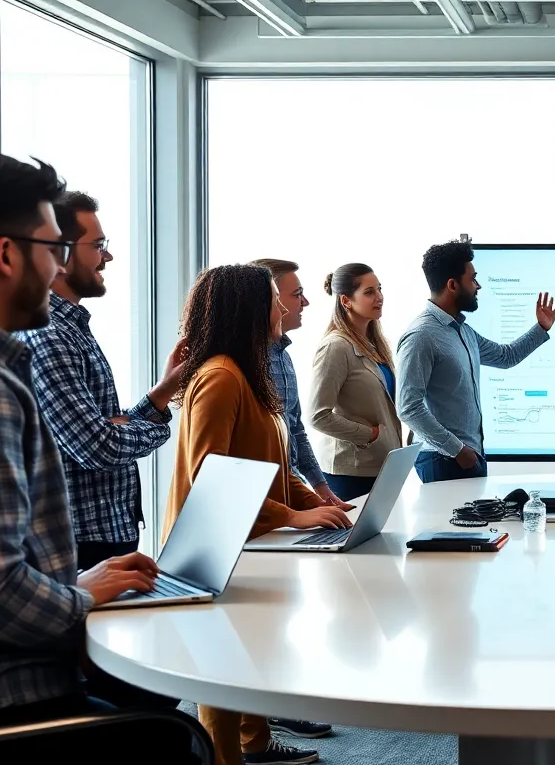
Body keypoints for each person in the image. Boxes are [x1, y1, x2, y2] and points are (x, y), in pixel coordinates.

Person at [0, 146, 197, 764]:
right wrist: (83, 594)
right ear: (7, 254)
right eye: (54, 248)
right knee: (178, 741)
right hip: (0, 707)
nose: (60, 266)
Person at [166, 263, 351, 765]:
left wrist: (322, 505)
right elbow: (212, 477)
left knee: (248, 658)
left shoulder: (249, 373)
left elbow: (273, 464)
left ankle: (256, 746)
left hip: (248, 543)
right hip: (216, 551)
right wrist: (294, 519)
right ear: (250, 309)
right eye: (274, 298)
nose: (283, 307)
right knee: (222, 673)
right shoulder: (221, 377)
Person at [19, 192, 187, 570]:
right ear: (58, 255)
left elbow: (100, 433)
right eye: (97, 245)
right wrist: (152, 431)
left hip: (101, 535)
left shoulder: (71, 328)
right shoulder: (47, 335)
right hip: (79, 544)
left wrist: (160, 396)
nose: (107, 257)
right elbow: (97, 446)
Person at [396, 240, 555, 483]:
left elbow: (506, 356)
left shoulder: (462, 331)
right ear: (452, 285)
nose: (478, 286)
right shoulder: (421, 336)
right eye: (473, 279)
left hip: (467, 457)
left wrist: (541, 328)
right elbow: (408, 407)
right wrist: (458, 450)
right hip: (443, 460)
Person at [251, 258, 352, 512]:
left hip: (289, 492)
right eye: (297, 295)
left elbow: (295, 429)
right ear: (269, 299)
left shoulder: (283, 357)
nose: (305, 302)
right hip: (261, 502)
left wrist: (322, 490)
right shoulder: (241, 366)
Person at [310, 263, 403, 500]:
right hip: (350, 472)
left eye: (380, 289)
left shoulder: (375, 345)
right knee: (353, 537)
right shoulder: (335, 347)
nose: (379, 297)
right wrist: (370, 435)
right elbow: (317, 416)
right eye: (369, 292)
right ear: (346, 301)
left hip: (381, 467)